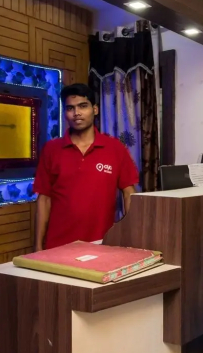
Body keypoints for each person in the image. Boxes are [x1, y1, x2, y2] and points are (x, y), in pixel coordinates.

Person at [32, 83, 139, 250]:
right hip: (58, 246)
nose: (77, 113)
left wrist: (133, 238)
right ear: (65, 113)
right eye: (70, 108)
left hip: (102, 244)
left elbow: (129, 193)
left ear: (95, 109)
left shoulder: (115, 148)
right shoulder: (51, 149)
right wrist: (38, 247)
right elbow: (44, 199)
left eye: (83, 106)